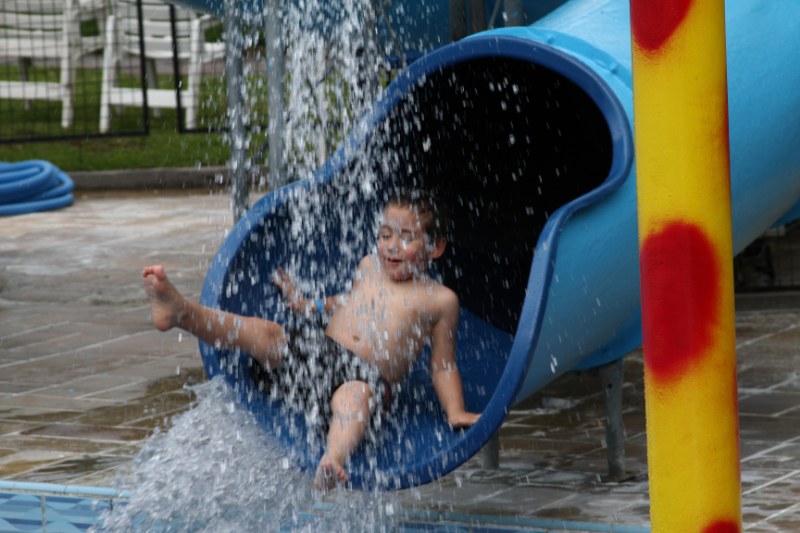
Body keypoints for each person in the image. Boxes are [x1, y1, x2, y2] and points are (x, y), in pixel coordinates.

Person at [142, 189, 480, 489]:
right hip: (318, 354)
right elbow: (348, 301)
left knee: (356, 399)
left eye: (406, 238)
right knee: (267, 333)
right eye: (385, 234)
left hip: (367, 377)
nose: (391, 246)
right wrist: (308, 305)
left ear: (436, 247)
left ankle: (332, 460)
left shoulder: (440, 299)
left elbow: (443, 364)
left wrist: (456, 411)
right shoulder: (369, 266)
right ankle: (183, 312)